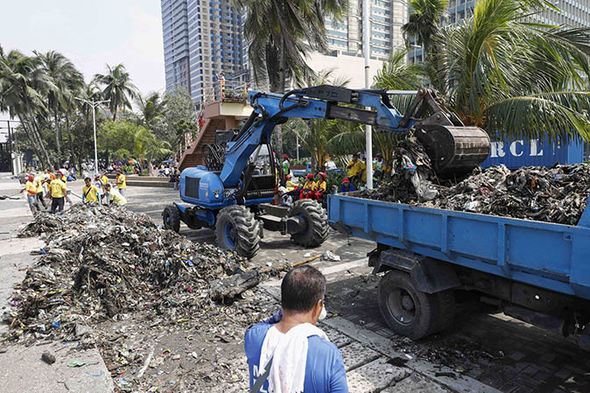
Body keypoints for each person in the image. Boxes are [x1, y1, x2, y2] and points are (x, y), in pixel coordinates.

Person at [245, 266, 348, 393]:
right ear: (319, 306)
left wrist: (281, 314)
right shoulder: (328, 354)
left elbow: (263, 323)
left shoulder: (254, 336)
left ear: (283, 301)